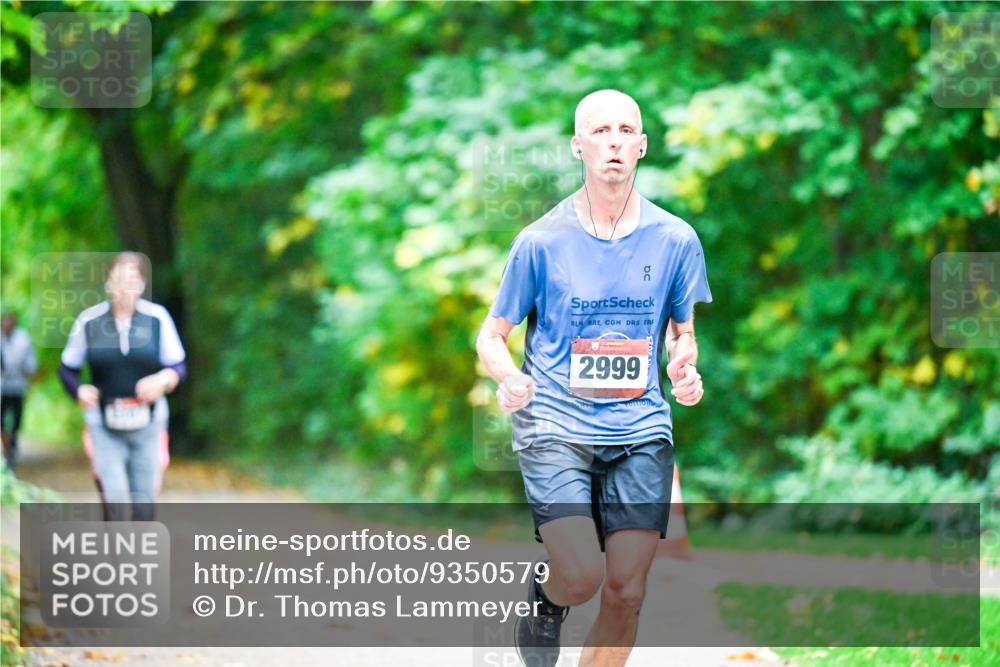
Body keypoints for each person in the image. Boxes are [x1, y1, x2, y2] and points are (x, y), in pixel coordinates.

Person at [476, 89, 712, 667]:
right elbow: (491, 335)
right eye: (600, 131)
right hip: (555, 424)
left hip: (640, 428)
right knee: (581, 575)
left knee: (627, 592)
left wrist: (684, 364)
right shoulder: (540, 242)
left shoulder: (675, 240)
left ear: (642, 146)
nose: (614, 141)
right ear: (578, 146)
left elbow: (683, 332)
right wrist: (508, 378)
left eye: (625, 130)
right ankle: (545, 600)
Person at [58, 252, 186, 521]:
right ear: (107, 283)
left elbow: (178, 366)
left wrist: (162, 380)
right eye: (117, 280)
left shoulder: (157, 319)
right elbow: (67, 369)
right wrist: (78, 390)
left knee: (144, 502)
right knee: (114, 497)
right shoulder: (89, 322)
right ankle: (118, 559)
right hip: (104, 424)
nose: (123, 287)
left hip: (148, 423)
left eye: (131, 280)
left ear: (141, 284)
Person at [1, 312, 38, 470]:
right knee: (1, 421)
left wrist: (25, 369)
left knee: (16, 421)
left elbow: (31, 363)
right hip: (2, 388)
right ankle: (7, 447)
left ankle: (13, 447)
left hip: (18, 387)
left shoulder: (23, 339)